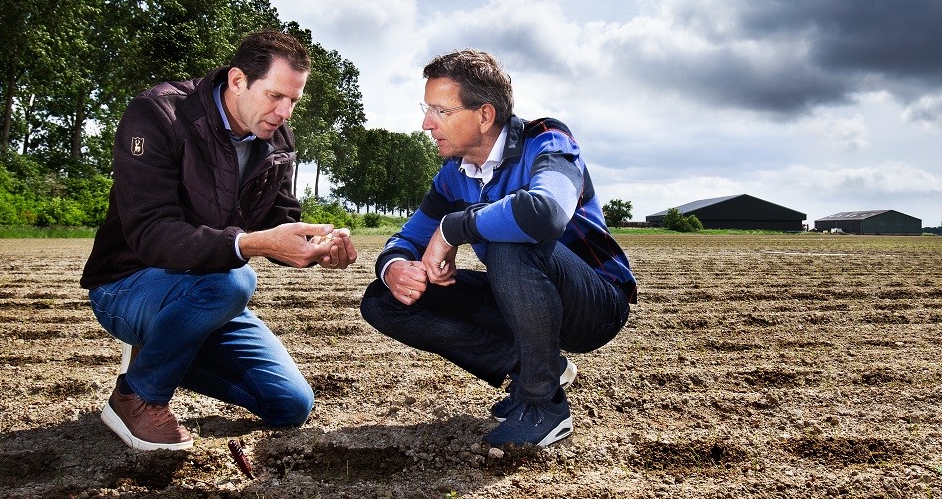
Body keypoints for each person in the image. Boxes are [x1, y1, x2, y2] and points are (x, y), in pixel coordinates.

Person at [81, 30, 357, 451]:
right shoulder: (157, 114)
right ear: (237, 80)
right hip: (129, 283)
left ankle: (161, 346)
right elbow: (151, 233)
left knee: (290, 405)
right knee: (236, 280)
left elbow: (278, 219)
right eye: (275, 96)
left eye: (294, 101)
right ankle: (136, 398)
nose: (284, 112)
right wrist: (249, 245)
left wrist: (317, 246)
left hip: (205, 290)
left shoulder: (277, 139)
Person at [360, 49, 637, 447]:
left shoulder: (547, 140)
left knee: (513, 242)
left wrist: (454, 228)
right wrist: (396, 267)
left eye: (440, 111)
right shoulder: (453, 176)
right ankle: (536, 370)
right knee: (382, 299)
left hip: (595, 303)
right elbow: (406, 238)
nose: (426, 123)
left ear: (485, 115)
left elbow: (545, 213)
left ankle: (543, 405)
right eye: (427, 109)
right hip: (521, 296)